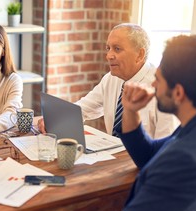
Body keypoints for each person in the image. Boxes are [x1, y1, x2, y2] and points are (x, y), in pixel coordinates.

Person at [62, 35, 196, 211]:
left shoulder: (185, 162)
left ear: (179, 93)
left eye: (158, 79)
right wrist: (130, 111)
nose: (153, 84)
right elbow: (148, 154)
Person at [38, 23, 178, 138]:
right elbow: (84, 108)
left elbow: (166, 147)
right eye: (108, 48)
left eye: (117, 49)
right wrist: (55, 119)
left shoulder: (163, 88)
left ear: (139, 55)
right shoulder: (111, 79)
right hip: (113, 158)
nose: (109, 55)